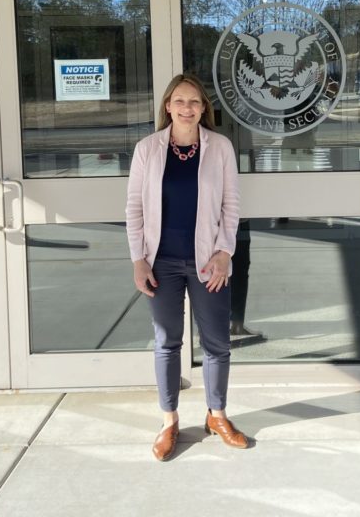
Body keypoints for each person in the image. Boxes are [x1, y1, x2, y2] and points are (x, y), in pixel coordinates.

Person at [126, 73, 248, 462]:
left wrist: (225, 252)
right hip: (160, 261)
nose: (187, 108)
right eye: (179, 101)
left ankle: (217, 415)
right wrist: (138, 259)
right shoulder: (147, 149)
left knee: (217, 343)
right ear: (167, 106)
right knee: (167, 342)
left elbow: (231, 205)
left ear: (203, 108)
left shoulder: (221, 148)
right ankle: (169, 421)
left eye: (194, 101)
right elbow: (134, 209)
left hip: (207, 261)